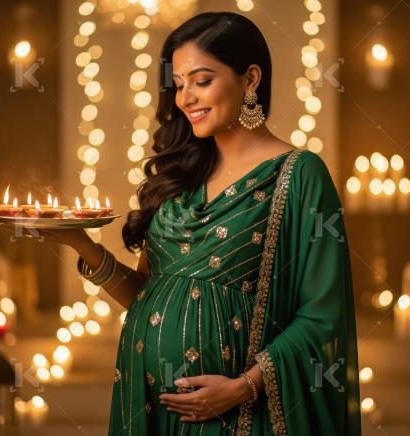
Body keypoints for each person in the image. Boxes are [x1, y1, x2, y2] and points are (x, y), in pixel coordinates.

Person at [41, 11, 361, 436]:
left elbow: (323, 316)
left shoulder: (299, 175)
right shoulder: (180, 177)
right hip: (151, 406)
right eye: (178, 85)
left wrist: (242, 388)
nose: (185, 98)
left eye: (202, 80)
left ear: (250, 79)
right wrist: (80, 245)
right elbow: (150, 299)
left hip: (240, 416)